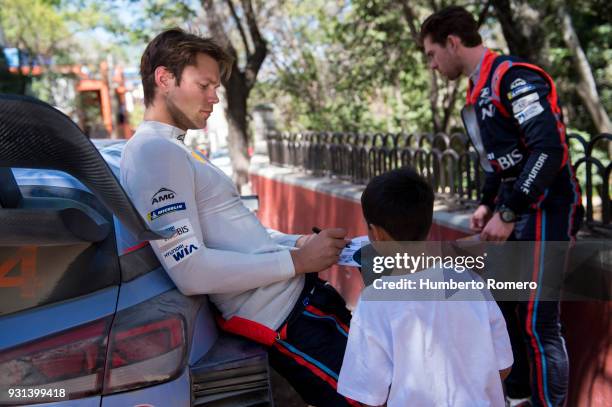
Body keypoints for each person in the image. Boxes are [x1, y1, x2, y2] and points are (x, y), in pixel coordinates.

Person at [120, 28, 358, 407]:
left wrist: (296, 243)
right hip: (288, 322)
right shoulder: (153, 152)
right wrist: (296, 259)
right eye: (205, 84)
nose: (214, 97)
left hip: (301, 306)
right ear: (164, 79)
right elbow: (191, 269)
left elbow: (233, 232)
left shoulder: (173, 148)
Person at [419, 7, 582, 406]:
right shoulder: (479, 90)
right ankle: (520, 394)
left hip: (547, 209)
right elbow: (501, 158)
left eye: (432, 54)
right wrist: (487, 203)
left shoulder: (514, 77)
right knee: (506, 307)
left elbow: (548, 149)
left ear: (453, 43)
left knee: (537, 323)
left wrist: (507, 213)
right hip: (517, 210)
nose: (433, 65)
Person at [337, 167, 513, 407]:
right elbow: (503, 365)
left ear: (375, 233)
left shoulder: (375, 299)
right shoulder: (471, 280)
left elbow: (366, 394)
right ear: (429, 224)